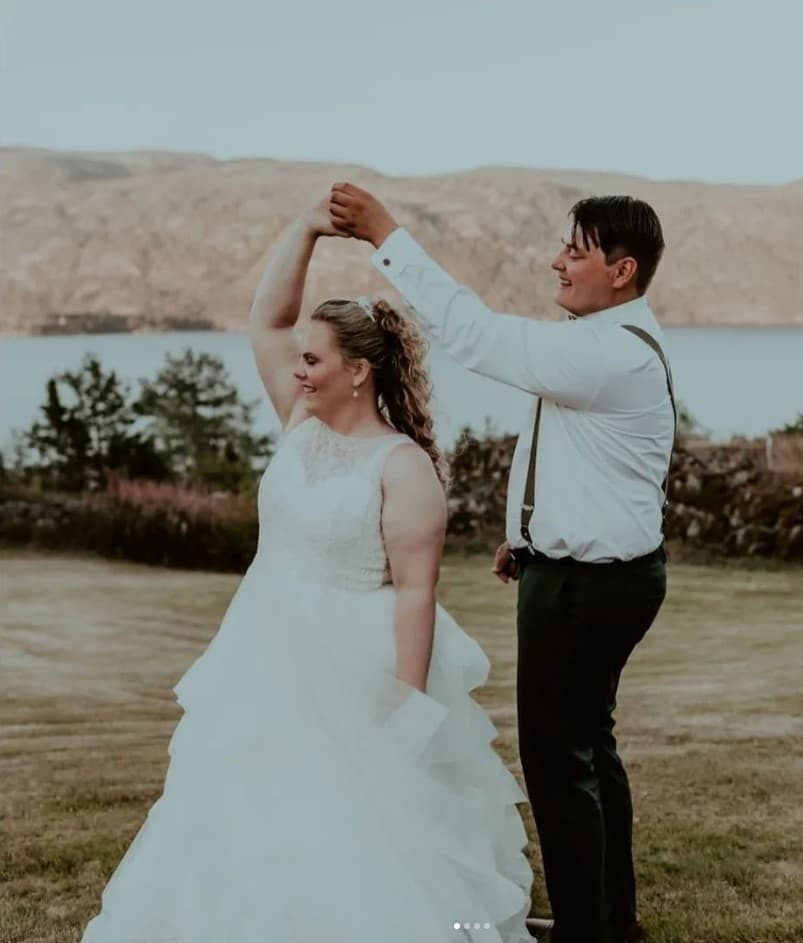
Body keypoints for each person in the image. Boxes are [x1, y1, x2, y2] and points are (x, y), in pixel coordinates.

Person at [80, 198, 535, 943]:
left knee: (356, 822)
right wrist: (306, 229)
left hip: (351, 665)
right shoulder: (300, 421)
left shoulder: (402, 466)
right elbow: (266, 319)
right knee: (238, 806)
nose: (297, 369)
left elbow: (418, 593)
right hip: (261, 650)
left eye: (313, 359)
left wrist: (406, 708)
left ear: (356, 372)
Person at [329, 183, 674, 943]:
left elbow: (472, 335)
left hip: (585, 588)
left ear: (620, 270)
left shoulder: (604, 352)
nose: (557, 262)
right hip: (600, 573)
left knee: (557, 758)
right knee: (590, 745)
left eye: (574, 252)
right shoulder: (611, 346)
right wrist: (527, 535)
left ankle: (589, 931)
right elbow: (590, 465)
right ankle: (611, 923)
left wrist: (387, 233)